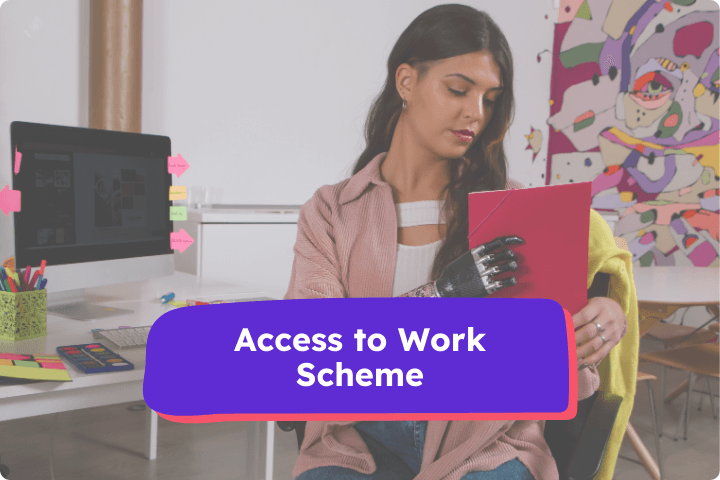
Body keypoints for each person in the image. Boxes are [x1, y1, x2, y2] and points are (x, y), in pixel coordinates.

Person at [284, 5, 632, 480]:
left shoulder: (515, 208)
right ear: (406, 82)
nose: (475, 113)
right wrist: (442, 296)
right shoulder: (331, 212)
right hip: (358, 436)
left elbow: (556, 355)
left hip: (486, 439)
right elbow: (316, 345)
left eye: (490, 98)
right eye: (458, 89)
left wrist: (606, 320)